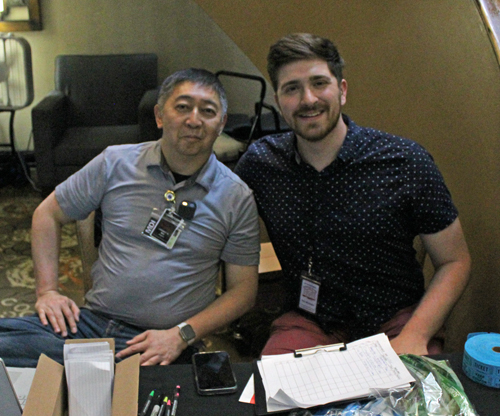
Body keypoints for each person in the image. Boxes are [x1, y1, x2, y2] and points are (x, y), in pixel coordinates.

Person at [0, 68, 260, 367]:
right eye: (183, 107)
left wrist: (182, 334)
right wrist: (47, 292)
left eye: (208, 111)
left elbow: (243, 291)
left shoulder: (236, 197)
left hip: (164, 344)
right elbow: (48, 213)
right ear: (160, 116)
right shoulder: (115, 163)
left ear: (221, 123)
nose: (194, 120)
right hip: (89, 328)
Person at [234, 33, 471, 356]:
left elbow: (455, 261)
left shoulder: (405, 161)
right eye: (292, 88)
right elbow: (212, 207)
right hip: (312, 321)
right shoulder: (261, 164)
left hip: (395, 320)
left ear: (342, 90)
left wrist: (416, 335)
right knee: (277, 399)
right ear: (278, 100)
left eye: (319, 83)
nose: (308, 99)